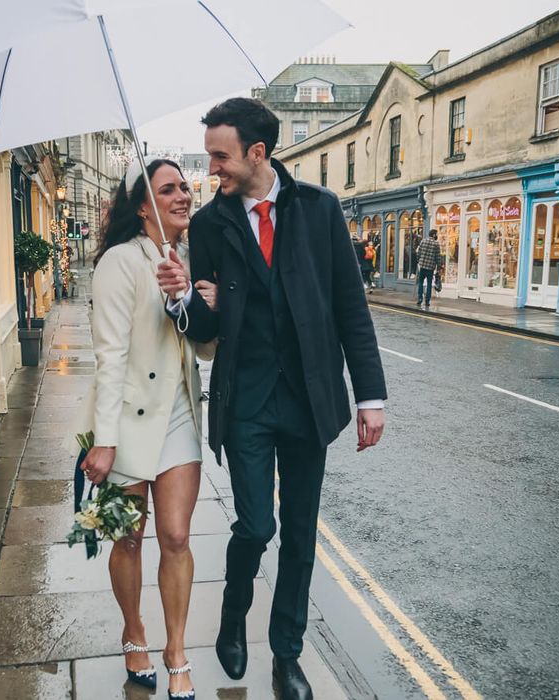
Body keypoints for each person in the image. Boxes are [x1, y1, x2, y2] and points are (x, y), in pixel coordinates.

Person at [157, 98, 386, 700]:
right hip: (247, 401)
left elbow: (350, 309)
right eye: (209, 157)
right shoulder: (209, 225)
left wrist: (371, 397)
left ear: (258, 152)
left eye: (220, 156)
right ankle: (234, 614)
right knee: (256, 526)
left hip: (310, 400)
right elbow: (207, 331)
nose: (212, 170)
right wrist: (186, 298)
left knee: (302, 535)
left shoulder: (319, 210)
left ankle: (287, 655)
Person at [79, 157, 216, 700]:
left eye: (186, 186)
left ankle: (176, 650)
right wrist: (104, 440)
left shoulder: (186, 259)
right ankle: (135, 632)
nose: (183, 195)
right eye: (169, 188)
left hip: (179, 411)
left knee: (177, 537)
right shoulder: (118, 262)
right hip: (129, 419)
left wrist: (195, 299)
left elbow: (204, 347)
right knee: (129, 539)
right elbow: (109, 357)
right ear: (143, 205)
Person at [416, 228, 441, 308]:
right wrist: (439, 266)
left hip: (422, 266)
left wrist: (419, 261)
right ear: (434, 235)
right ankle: (427, 301)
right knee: (429, 284)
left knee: (420, 282)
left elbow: (418, 253)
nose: (437, 236)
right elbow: (438, 257)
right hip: (430, 267)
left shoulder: (423, 241)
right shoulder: (436, 244)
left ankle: (420, 298)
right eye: (436, 234)